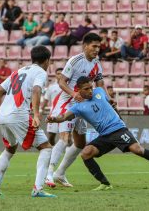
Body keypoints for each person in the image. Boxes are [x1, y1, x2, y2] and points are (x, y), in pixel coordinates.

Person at [47, 76, 149, 190]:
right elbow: (63, 117)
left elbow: (110, 102)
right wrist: (54, 118)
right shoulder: (78, 107)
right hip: (104, 136)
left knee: (137, 150)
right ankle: (105, 184)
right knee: (86, 153)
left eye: (91, 87)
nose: (90, 90)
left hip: (118, 129)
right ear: (78, 90)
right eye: (86, 89)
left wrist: (114, 107)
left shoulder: (99, 91)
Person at [0, 46, 56, 198]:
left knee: (10, 149)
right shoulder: (40, 72)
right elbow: (37, 90)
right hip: (18, 115)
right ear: (47, 60)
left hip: (4, 116)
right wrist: (37, 115)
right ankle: (38, 189)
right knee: (46, 148)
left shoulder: (18, 71)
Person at [45, 33, 105, 188]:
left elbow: (100, 84)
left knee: (80, 143)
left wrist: (107, 99)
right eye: (94, 46)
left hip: (82, 104)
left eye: (99, 46)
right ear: (85, 46)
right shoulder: (75, 60)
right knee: (64, 138)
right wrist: (73, 94)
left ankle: (60, 173)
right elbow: (61, 82)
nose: (97, 49)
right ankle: (49, 174)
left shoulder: (97, 63)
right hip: (67, 102)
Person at [41, 67, 65, 146]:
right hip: (53, 114)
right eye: (58, 74)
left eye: (62, 74)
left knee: (66, 136)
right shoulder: (51, 87)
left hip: (65, 113)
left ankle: (68, 154)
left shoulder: (68, 86)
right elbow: (46, 100)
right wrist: (41, 111)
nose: (60, 75)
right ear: (55, 75)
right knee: (51, 136)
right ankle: (54, 152)